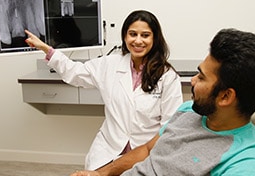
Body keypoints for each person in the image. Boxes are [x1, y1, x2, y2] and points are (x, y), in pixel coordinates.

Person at [70, 28, 255, 176]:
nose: (193, 81)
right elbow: (147, 150)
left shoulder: (248, 163)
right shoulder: (188, 111)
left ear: (225, 97)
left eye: (202, 77)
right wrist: (100, 174)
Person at [24, 10, 183, 170]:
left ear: (155, 38)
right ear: (125, 36)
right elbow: (75, 72)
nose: (138, 41)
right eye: (132, 34)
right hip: (109, 147)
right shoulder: (110, 64)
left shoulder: (167, 76)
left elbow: (169, 127)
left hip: (145, 153)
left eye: (145, 35)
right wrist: (46, 49)